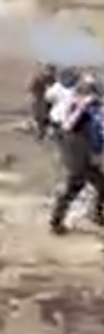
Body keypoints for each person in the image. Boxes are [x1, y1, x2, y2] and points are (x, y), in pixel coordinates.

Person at [49, 75, 104, 235]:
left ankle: (96, 215)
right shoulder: (79, 106)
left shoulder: (90, 106)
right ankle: (56, 221)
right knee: (75, 184)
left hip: (83, 154)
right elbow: (68, 125)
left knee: (99, 184)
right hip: (77, 154)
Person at [28, 63, 58, 141]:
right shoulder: (38, 77)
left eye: (52, 71)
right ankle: (40, 133)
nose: (51, 73)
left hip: (46, 100)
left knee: (45, 117)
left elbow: (55, 89)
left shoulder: (52, 79)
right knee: (38, 117)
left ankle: (42, 133)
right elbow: (31, 88)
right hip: (38, 98)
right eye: (50, 71)